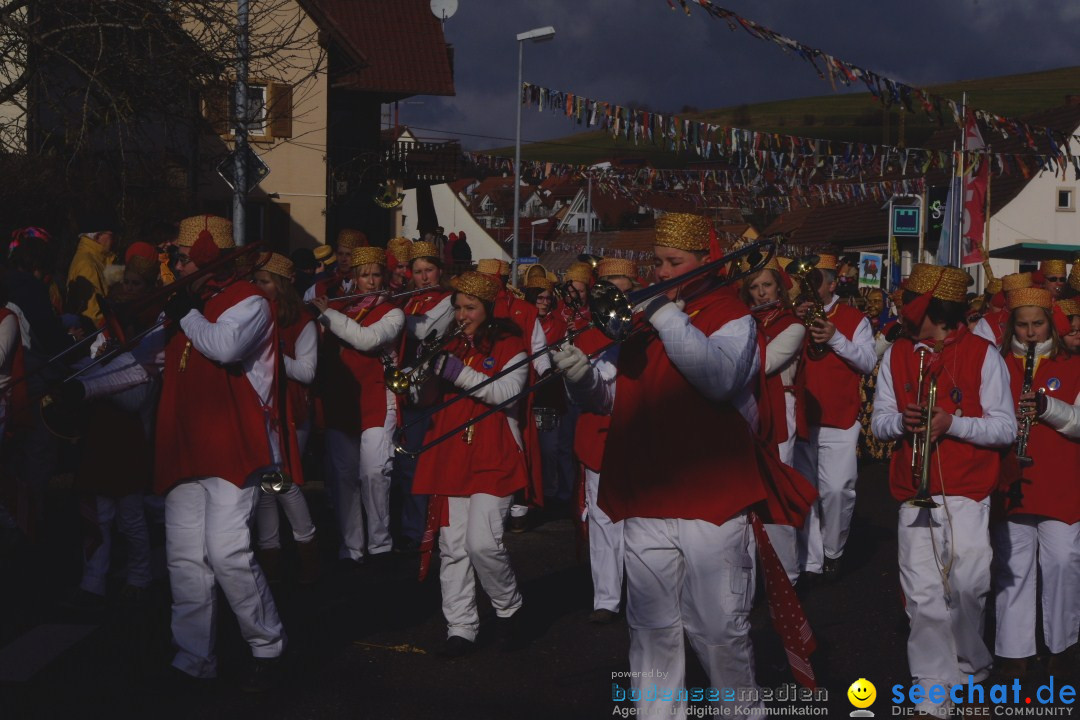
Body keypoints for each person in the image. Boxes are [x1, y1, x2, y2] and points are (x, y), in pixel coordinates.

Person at [554, 213, 814, 718]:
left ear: (705, 262)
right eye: (658, 262)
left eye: (674, 262)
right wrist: (581, 380)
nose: (661, 271)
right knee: (650, 631)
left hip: (712, 494)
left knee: (719, 629)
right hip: (648, 488)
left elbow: (717, 378)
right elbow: (609, 397)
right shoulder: (641, 318)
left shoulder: (732, 314)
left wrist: (664, 315)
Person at [154, 214, 295, 691]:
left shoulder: (249, 302)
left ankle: (268, 646)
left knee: (228, 552)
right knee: (184, 557)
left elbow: (227, 346)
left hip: (238, 440)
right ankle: (194, 656)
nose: (174, 265)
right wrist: (82, 388)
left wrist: (185, 315)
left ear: (202, 257)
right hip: (188, 440)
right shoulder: (190, 305)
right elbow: (146, 364)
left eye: (179, 257)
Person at [871, 263, 1015, 717]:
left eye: (909, 297)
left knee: (969, 587)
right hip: (914, 489)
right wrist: (902, 422)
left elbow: (1005, 428)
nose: (900, 304)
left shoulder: (983, 354)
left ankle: (972, 675)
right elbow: (879, 421)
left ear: (931, 306)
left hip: (968, 491)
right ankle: (933, 692)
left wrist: (951, 423)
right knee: (922, 595)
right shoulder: (896, 353)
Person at [412, 271, 529, 657]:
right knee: (453, 546)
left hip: (494, 450)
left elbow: (506, 393)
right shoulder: (450, 345)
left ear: (489, 310)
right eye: (458, 307)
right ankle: (460, 626)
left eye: (470, 308)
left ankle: (509, 609)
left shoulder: (512, 345)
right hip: (450, 451)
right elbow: (426, 398)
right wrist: (424, 374)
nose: (462, 315)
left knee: (482, 543)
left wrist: (458, 373)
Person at [993, 287, 1080, 682]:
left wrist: (1046, 407)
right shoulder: (995, 364)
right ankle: (1014, 650)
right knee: (1014, 565)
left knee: (1063, 561)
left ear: (1052, 324)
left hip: (1061, 478)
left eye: (1038, 324)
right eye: (1023, 325)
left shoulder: (1074, 364)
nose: (1030, 333)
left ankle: (1062, 644)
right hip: (1013, 476)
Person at [312, 246, 403, 565]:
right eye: (365, 275)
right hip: (342, 400)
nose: (371, 281)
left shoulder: (394, 312)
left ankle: (380, 544)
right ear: (354, 278)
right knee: (343, 476)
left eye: (377, 274)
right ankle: (351, 547)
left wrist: (328, 315)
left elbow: (366, 340)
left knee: (374, 472)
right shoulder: (343, 306)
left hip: (376, 399)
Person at [793, 253, 876, 582]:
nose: (809, 287)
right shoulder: (795, 315)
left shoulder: (855, 318)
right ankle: (811, 561)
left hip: (840, 418)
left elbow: (869, 362)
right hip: (801, 416)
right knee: (804, 490)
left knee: (838, 490)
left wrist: (836, 338)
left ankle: (833, 551)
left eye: (816, 281)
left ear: (830, 284)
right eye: (806, 281)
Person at [574, 257, 639, 623]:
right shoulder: (585, 331)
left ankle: (641, 591)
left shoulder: (643, 327)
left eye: (622, 286)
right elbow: (581, 394)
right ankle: (606, 599)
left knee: (638, 516)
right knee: (601, 519)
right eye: (608, 286)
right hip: (598, 433)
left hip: (636, 432)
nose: (615, 294)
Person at [252, 253, 319, 584]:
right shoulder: (255, 314)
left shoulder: (302, 320)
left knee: (282, 479)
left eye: (264, 282)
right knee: (265, 482)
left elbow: (307, 372)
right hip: (264, 406)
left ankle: (307, 547)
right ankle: (271, 553)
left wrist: (273, 353)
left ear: (279, 285)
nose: (258, 288)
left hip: (292, 409)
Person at [741, 260, 805, 583]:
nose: (761, 292)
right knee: (749, 494)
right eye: (754, 287)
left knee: (777, 491)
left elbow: (763, 363)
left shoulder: (793, 325)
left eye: (766, 285)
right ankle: (752, 577)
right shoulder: (744, 321)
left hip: (780, 410)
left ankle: (788, 576)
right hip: (747, 409)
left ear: (778, 287)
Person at [391, 241, 453, 552]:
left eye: (429, 270)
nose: (424, 277)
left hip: (434, 391)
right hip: (406, 390)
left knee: (424, 462)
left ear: (439, 271)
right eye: (417, 271)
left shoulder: (448, 301)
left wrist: (386, 314)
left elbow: (421, 330)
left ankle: (425, 530)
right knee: (405, 463)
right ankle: (412, 527)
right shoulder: (408, 300)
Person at [66, 227, 117, 327]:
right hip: (98, 338)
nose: (115, 239)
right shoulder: (87, 264)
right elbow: (93, 315)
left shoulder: (95, 259)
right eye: (111, 235)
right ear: (98, 236)